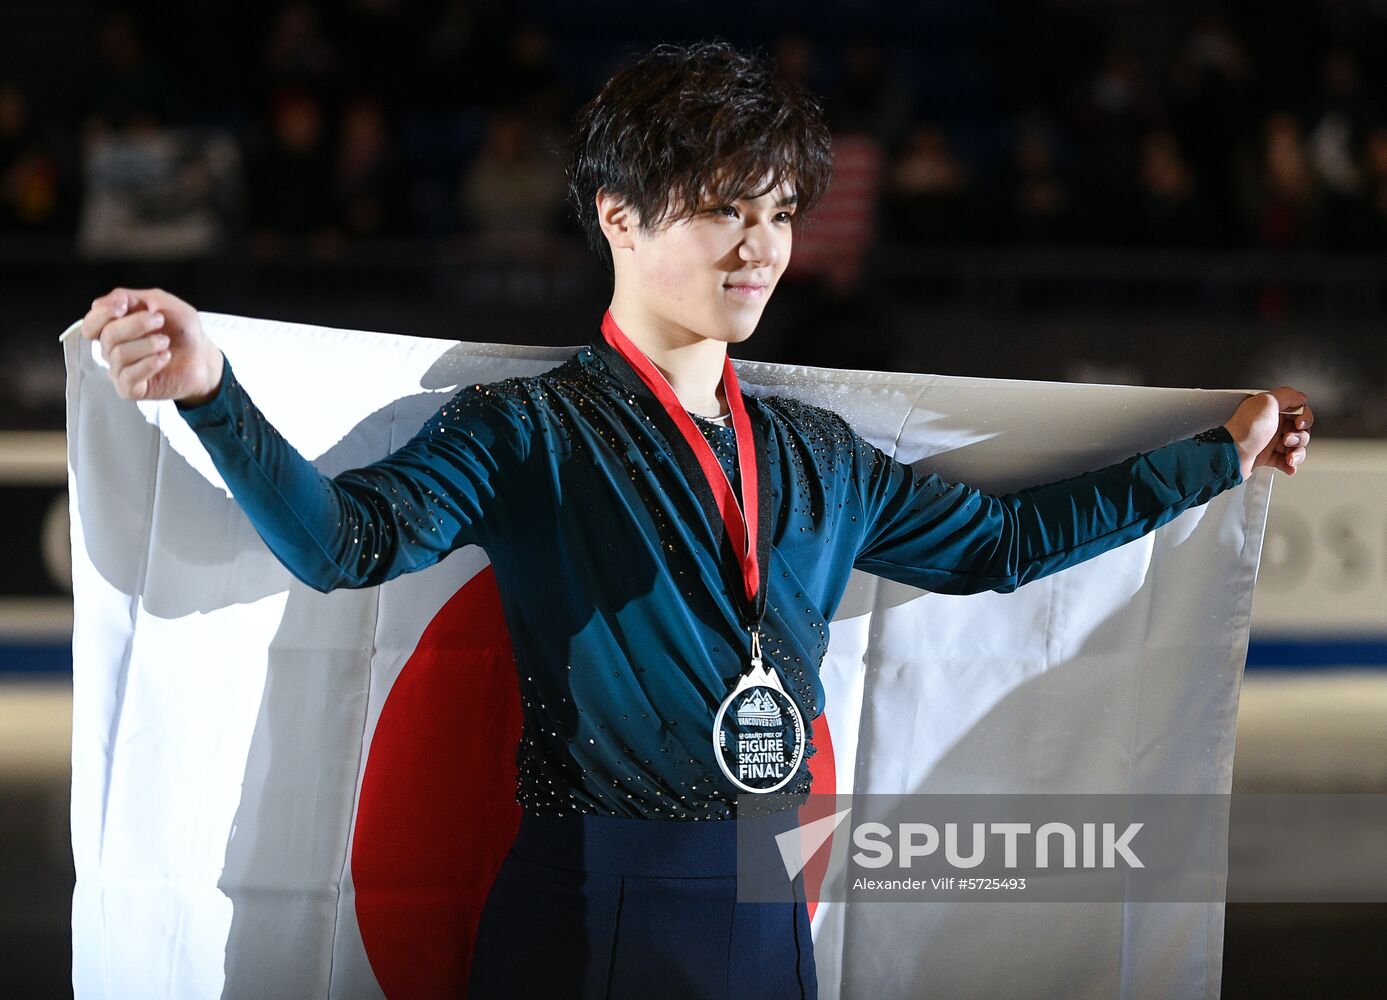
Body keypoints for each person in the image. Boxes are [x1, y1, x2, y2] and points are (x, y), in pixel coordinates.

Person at [78, 40, 1312, 1000]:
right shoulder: (529, 432)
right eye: (725, 209)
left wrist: (1214, 458)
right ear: (619, 213)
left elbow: (999, 546)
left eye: (779, 213)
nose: (762, 247)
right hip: (587, 895)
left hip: (777, 887)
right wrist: (212, 396)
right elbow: (341, 545)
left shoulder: (816, 455)